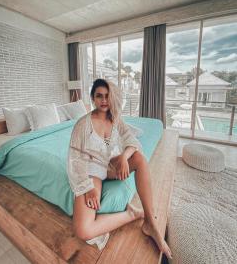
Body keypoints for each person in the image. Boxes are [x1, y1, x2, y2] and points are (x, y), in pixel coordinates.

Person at [67, 78, 172, 259]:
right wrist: (88, 187)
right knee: (83, 230)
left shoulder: (115, 119)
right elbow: (75, 160)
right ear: (93, 98)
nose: (104, 100)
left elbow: (132, 140)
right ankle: (132, 214)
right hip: (92, 171)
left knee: (138, 158)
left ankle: (150, 221)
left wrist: (124, 156)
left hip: (109, 165)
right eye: (99, 96)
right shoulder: (83, 124)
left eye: (108, 96)